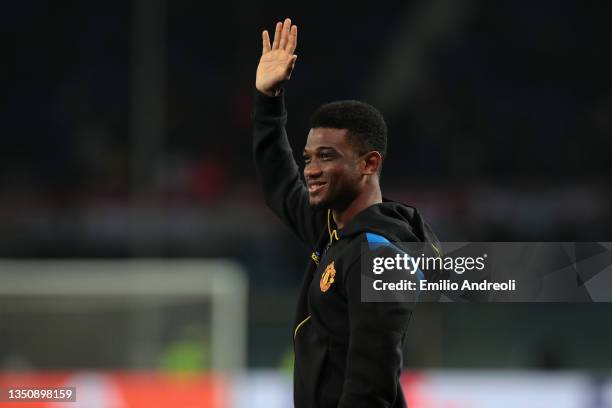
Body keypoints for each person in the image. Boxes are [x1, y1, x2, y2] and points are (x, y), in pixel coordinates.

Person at [253, 18, 440, 408]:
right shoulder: (334, 231)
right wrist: (268, 103)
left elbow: (371, 383)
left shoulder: (379, 255)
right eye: (308, 158)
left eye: (327, 156)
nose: (311, 170)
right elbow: (281, 187)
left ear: (369, 164)